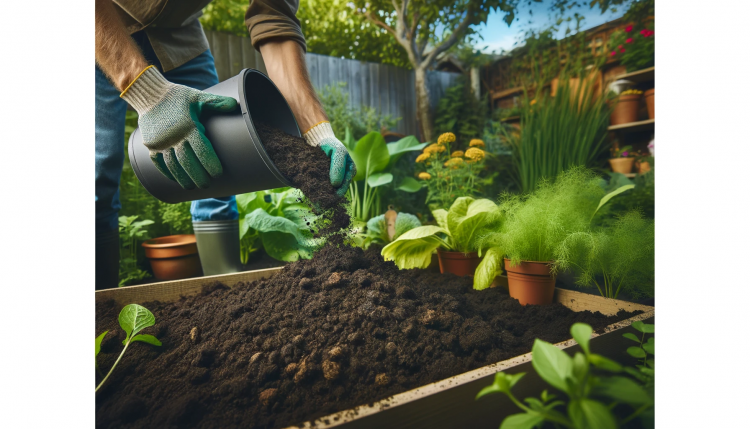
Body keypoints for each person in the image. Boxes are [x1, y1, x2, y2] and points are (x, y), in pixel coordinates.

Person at [95, 0, 355, 289]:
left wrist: (315, 130)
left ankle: (225, 294)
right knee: (97, 174)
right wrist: (147, 92)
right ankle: (100, 306)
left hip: (178, 35)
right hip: (100, 28)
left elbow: (274, 16)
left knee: (220, 163)